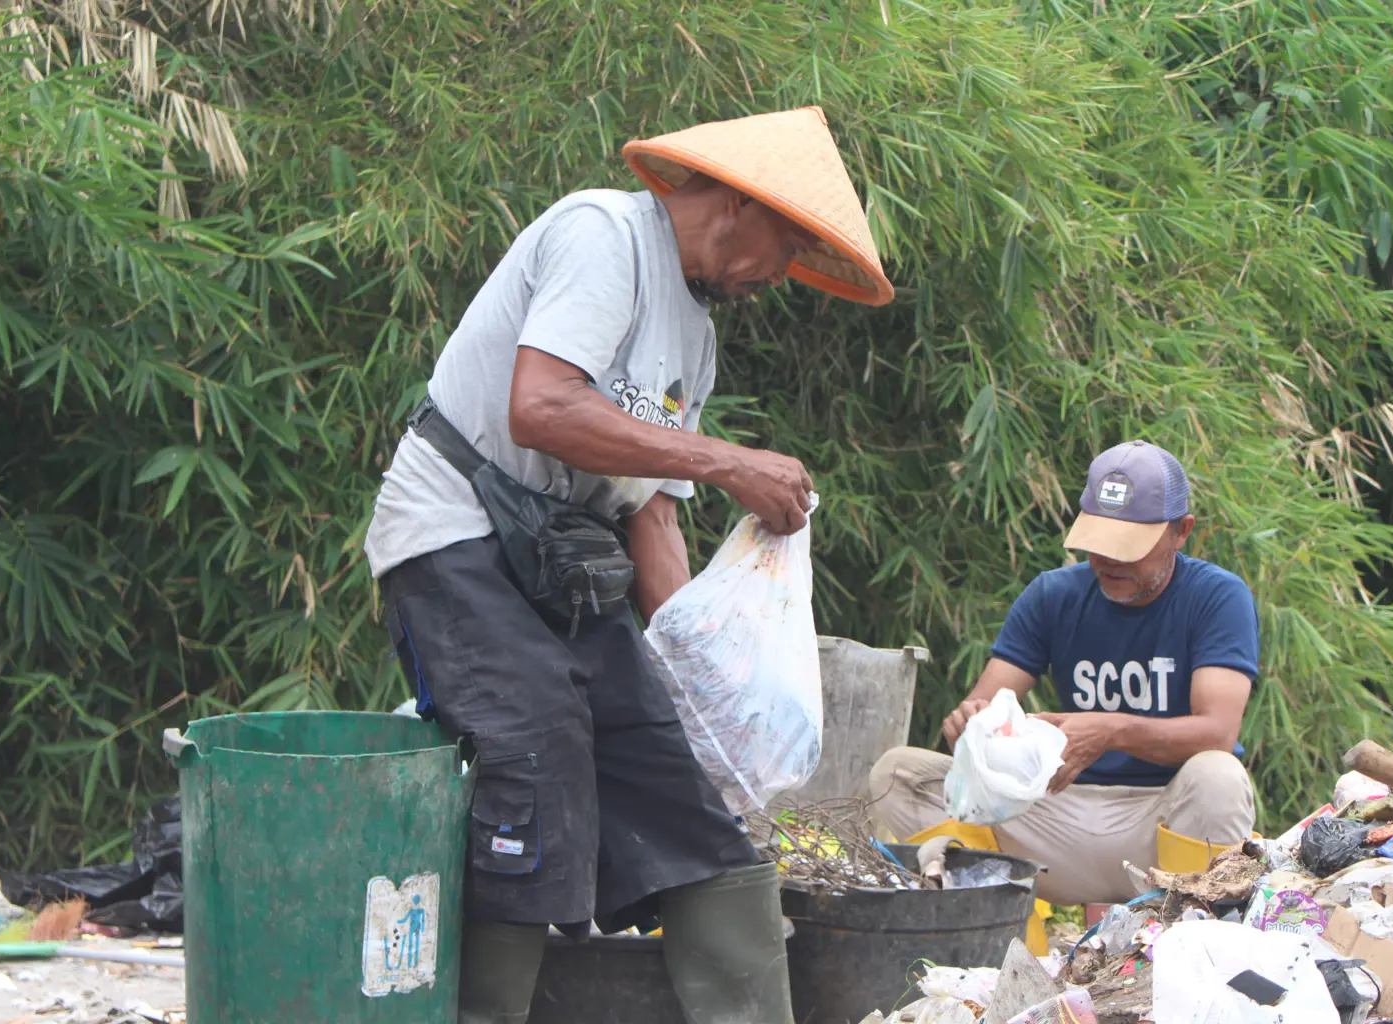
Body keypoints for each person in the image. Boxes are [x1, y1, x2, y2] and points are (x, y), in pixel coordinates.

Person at [363, 107, 893, 1024]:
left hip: (564, 561)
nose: (784, 273)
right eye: (788, 244)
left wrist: (700, 676)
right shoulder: (603, 234)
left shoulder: (699, 340)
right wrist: (730, 461)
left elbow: (650, 512)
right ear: (737, 204)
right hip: (454, 536)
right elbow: (543, 407)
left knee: (674, 777)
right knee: (533, 747)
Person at [868, 440, 1259, 906]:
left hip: (1161, 823)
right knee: (899, 774)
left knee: (1219, 776)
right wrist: (974, 732)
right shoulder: (1053, 594)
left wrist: (1110, 730)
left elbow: (1217, 731)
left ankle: (1189, 932)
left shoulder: (1217, 596)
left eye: (1128, 545)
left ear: (1181, 532)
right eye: (1099, 542)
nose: (1109, 560)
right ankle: (990, 925)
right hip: (1053, 819)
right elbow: (986, 706)